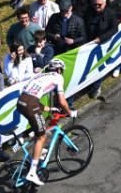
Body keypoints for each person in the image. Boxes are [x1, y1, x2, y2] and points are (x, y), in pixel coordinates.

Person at [15, 58, 76, 186]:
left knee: (39, 132)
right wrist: (70, 113)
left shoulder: (40, 75)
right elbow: (62, 101)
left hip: (21, 102)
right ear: (59, 69)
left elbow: (30, 96)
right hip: (31, 103)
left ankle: (38, 151)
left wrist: (49, 109)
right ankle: (32, 172)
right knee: (42, 136)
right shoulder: (58, 77)